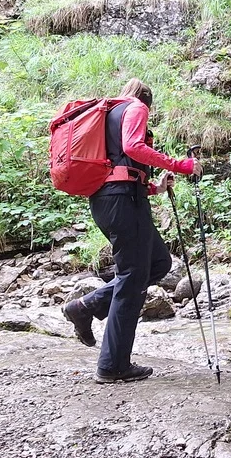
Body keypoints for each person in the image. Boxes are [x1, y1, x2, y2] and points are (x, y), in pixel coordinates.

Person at [61, 78, 202, 384]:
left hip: (112, 200)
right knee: (132, 278)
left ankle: (86, 306)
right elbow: (133, 147)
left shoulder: (108, 113)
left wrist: (155, 187)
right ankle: (112, 366)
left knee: (159, 263)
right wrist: (180, 165)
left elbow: (118, 164)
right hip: (124, 202)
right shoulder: (135, 107)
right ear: (146, 101)